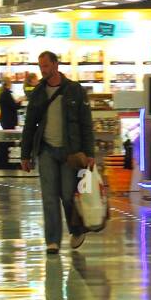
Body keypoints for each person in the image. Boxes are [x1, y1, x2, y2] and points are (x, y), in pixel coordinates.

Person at [20, 51, 95, 254]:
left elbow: (86, 124)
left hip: (70, 152)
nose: (42, 70)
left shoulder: (74, 90)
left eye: (45, 66)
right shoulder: (37, 93)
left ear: (55, 65)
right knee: (49, 197)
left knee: (68, 194)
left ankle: (76, 229)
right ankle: (52, 241)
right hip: (46, 150)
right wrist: (25, 154)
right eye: (40, 66)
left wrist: (89, 152)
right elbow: (29, 126)